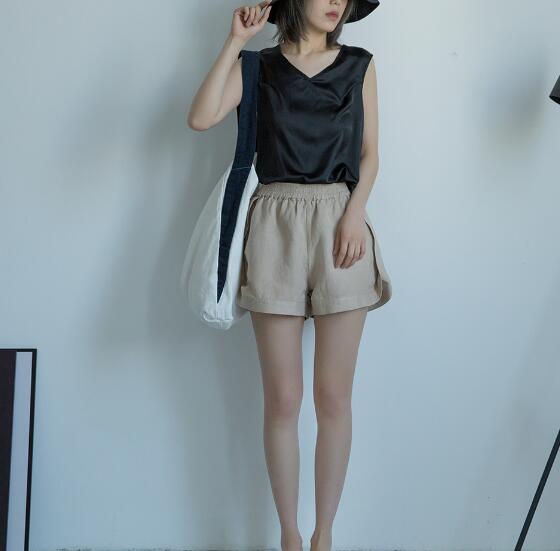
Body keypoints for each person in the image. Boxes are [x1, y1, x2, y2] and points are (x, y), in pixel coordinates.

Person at [187, 1, 392, 550]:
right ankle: (290, 537)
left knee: (334, 397)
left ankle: (325, 535)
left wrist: (354, 212)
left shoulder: (359, 64)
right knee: (282, 398)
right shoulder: (259, 67)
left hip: (341, 224)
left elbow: (371, 154)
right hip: (274, 223)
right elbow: (201, 117)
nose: (336, 3)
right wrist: (235, 43)